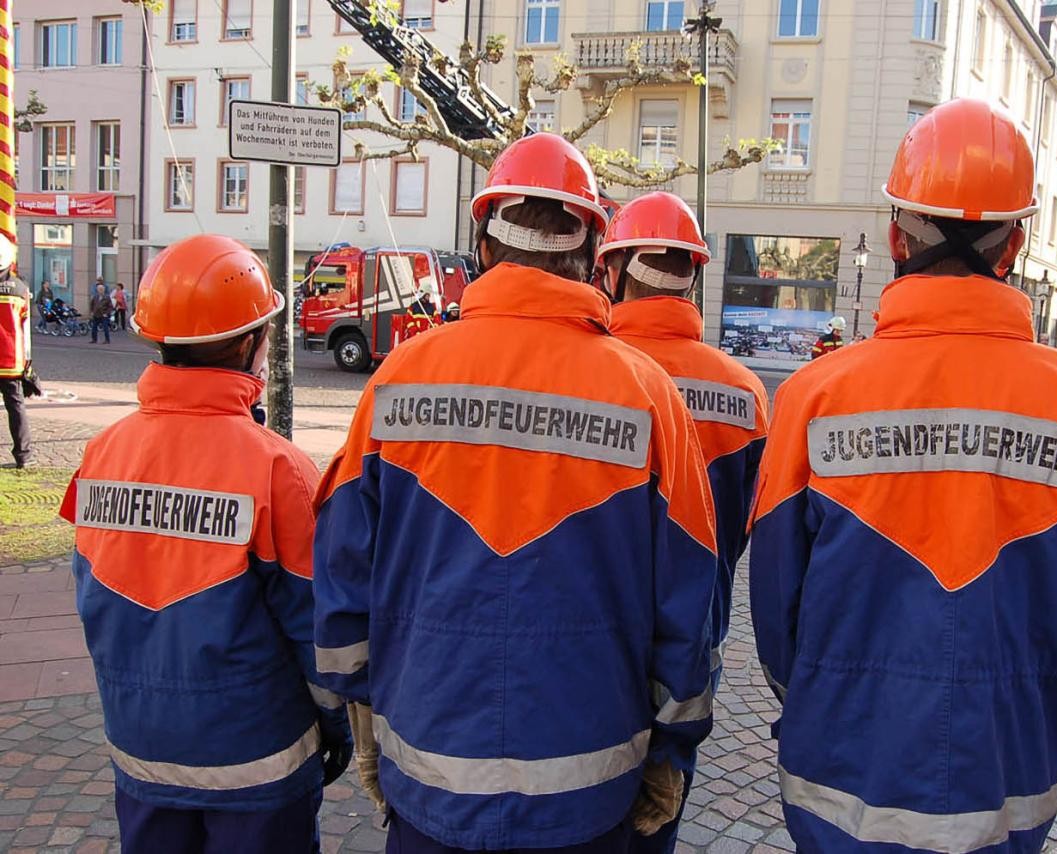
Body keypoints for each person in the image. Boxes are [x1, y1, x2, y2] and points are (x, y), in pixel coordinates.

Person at [312, 133, 718, 853]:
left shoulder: (400, 378)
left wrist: (366, 720)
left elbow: (342, 587)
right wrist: (671, 751)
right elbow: (689, 608)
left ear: (483, 241)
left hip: (428, 777)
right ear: (593, 251)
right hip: (589, 793)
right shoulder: (648, 396)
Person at [749, 99, 1057, 854]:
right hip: (1013, 768)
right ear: (1015, 243)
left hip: (844, 770)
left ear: (896, 234)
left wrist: (823, 695)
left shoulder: (814, 395)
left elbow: (776, 612)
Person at [58, 235, 352, 853]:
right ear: (250, 344)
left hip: (141, 753)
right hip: (258, 765)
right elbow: (316, 636)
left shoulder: (101, 453)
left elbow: (92, 596)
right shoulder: (280, 470)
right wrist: (336, 726)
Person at [599, 192, 769, 854]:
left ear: (613, 270)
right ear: (693, 275)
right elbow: (742, 531)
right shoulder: (746, 394)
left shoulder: (591, 375)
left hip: (594, 642)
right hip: (693, 647)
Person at [0, 238, 32, 469]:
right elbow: (25, 329)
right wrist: (28, 363)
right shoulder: (21, 289)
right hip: (12, 362)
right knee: (16, 408)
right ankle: (23, 455)